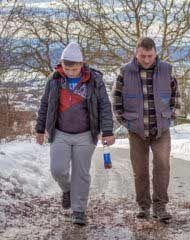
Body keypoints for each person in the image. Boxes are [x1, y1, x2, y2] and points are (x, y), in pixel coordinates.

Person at [35, 42, 115, 225]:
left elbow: (104, 105)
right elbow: (45, 105)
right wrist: (40, 129)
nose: (70, 72)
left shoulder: (94, 80)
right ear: (61, 64)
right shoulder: (54, 79)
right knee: (58, 169)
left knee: (81, 172)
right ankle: (68, 190)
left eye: (74, 68)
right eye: (66, 68)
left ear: (81, 64)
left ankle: (79, 210)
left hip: (86, 134)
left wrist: (108, 131)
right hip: (60, 133)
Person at [112, 37, 180, 222]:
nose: (147, 59)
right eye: (143, 55)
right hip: (136, 132)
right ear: (136, 53)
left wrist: (170, 118)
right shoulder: (125, 72)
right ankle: (144, 206)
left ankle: (160, 207)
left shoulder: (167, 70)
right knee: (140, 170)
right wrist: (127, 123)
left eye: (150, 55)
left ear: (155, 53)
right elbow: (116, 100)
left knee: (162, 167)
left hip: (161, 130)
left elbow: (176, 97)